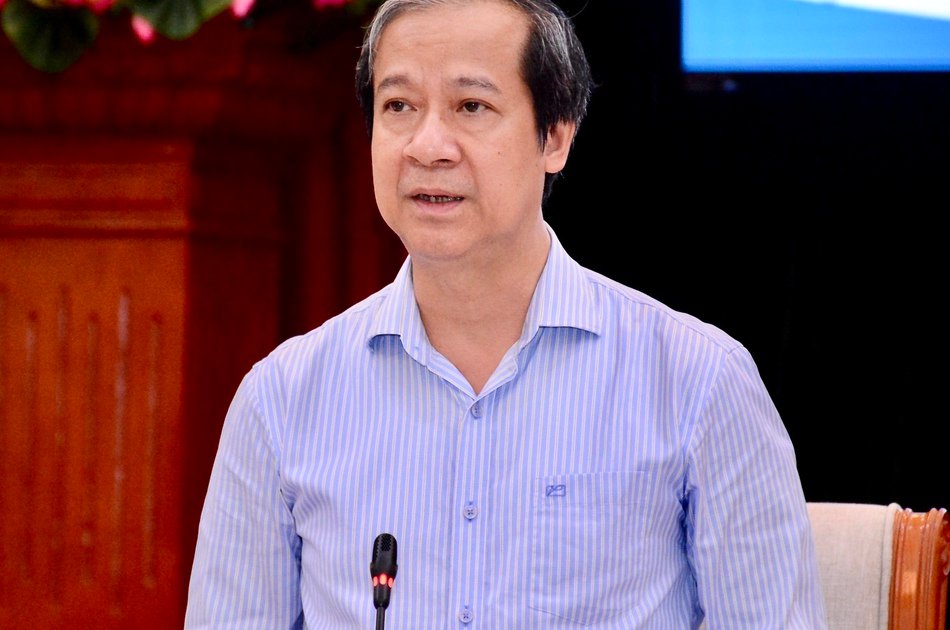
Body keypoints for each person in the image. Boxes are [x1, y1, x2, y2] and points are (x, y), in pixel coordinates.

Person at [185, 0, 826, 626]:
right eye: (399, 106)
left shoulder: (696, 383)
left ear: (556, 136)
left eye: (472, 106)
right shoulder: (282, 401)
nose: (428, 146)